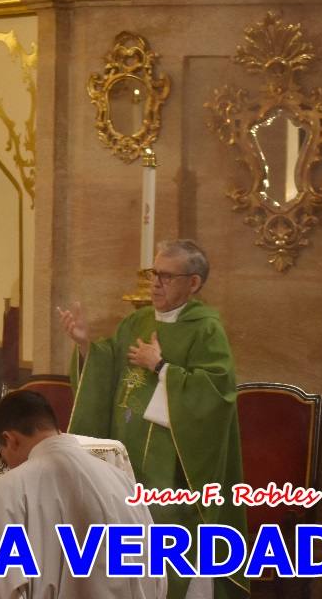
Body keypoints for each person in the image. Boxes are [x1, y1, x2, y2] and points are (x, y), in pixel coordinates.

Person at [60, 239, 248, 599]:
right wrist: (86, 345)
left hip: (173, 472)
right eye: (153, 273)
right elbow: (109, 369)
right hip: (124, 457)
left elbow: (216, 395)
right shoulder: (136, 321)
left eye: (166, 276)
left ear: (193, 283)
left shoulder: (206, 329)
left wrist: (161, 367)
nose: (155, 283)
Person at [0, 390, 165, 599]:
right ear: (57, 429)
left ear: (9, 440)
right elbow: (156, 569)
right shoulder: (121, 480)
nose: (11, 468)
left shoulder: (7, 491)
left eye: (6, 461)